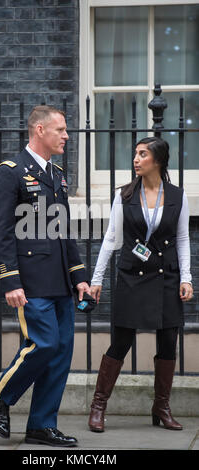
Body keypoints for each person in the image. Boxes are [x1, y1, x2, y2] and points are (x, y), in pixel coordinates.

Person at [0, 105, 91, 447]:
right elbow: (0, 231)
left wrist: (79, 277)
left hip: (60, 280)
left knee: (59, 353)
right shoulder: (11, 172)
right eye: (60, 130)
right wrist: (10, 280)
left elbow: (63, 232)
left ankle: (41, 425)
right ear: (39, 131)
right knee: (43, 343)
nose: (66, 136)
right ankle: (0, 395)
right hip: (30, 281)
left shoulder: (57, 174)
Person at [88, 137, 193, 433]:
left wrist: (186, 277)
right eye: (135, 153)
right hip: (132, 276)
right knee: (120, 342)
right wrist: (97, 280)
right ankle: (98, 406)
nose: (135, 159)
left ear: (157, 161)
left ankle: (161, 407)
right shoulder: (124, 195)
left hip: (166, 277)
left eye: (142, 154)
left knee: (168, 343)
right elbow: (111, 239)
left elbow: (183, 239)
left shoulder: (177, 195)